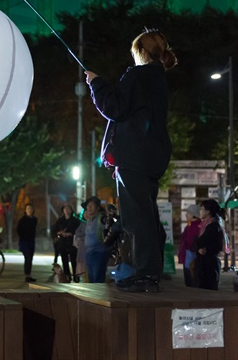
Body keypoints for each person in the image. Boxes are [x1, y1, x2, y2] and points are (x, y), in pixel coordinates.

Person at [85, 29, 177, 293]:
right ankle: (148, 272)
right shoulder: (158, 79)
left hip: (134, 155)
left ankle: (145, 274)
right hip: (152, 155)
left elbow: (114, 107)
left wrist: (96, 83)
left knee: (136, 217)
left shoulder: (138, 75)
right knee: (146, 214)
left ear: (142, 52)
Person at [193, 200, 224, 291]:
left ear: (207, 211)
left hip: (208, 265)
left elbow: (199, 242)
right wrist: (198, 248)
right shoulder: (204, 225)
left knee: (207, 291)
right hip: (203, 263)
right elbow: (195, 243)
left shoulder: (213, 226)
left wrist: (201, 248)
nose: (200, 212)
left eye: (202, 209)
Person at [82, 197, 110, 283]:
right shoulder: (89, 219)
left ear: (98, 208)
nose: (89, 207)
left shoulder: (101, 219)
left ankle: (99, 296)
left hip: (99, 252)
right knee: (91, 279)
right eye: (88, 205)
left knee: (97, 279)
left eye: (92, 205)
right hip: (89, 252)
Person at [51, 204, 79, 282]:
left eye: (68, 208)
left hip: (72, 243)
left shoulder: (75, 221)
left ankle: (75, 275)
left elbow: (78, 231)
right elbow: (54, 230)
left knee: (74, 260)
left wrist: (70, 234)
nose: (66, 210)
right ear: (63, 210)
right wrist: (59, 233)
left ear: (71, 210)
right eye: (65, 209)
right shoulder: (60, 220)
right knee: (64, 260)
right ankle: (67, 276)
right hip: (62, 243)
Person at [178, 204, 201, 287]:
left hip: (191, 257)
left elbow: (190, 241)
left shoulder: (196, 226)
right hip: (188, 257)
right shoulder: (189, 225)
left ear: (193, 215)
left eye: (188, 213)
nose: (186, 215)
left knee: (191, 279)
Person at [17, 203, 37, 283]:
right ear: (25, 210)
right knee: (27, 258)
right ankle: (27, 276)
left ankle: (29, 275)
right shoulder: (22, 220)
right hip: (24, 242)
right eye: (28, 209)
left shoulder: (34, 219)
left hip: (31, 241)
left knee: (30, 258)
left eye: (31, 209)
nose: (29, 210)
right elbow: (19, 230)